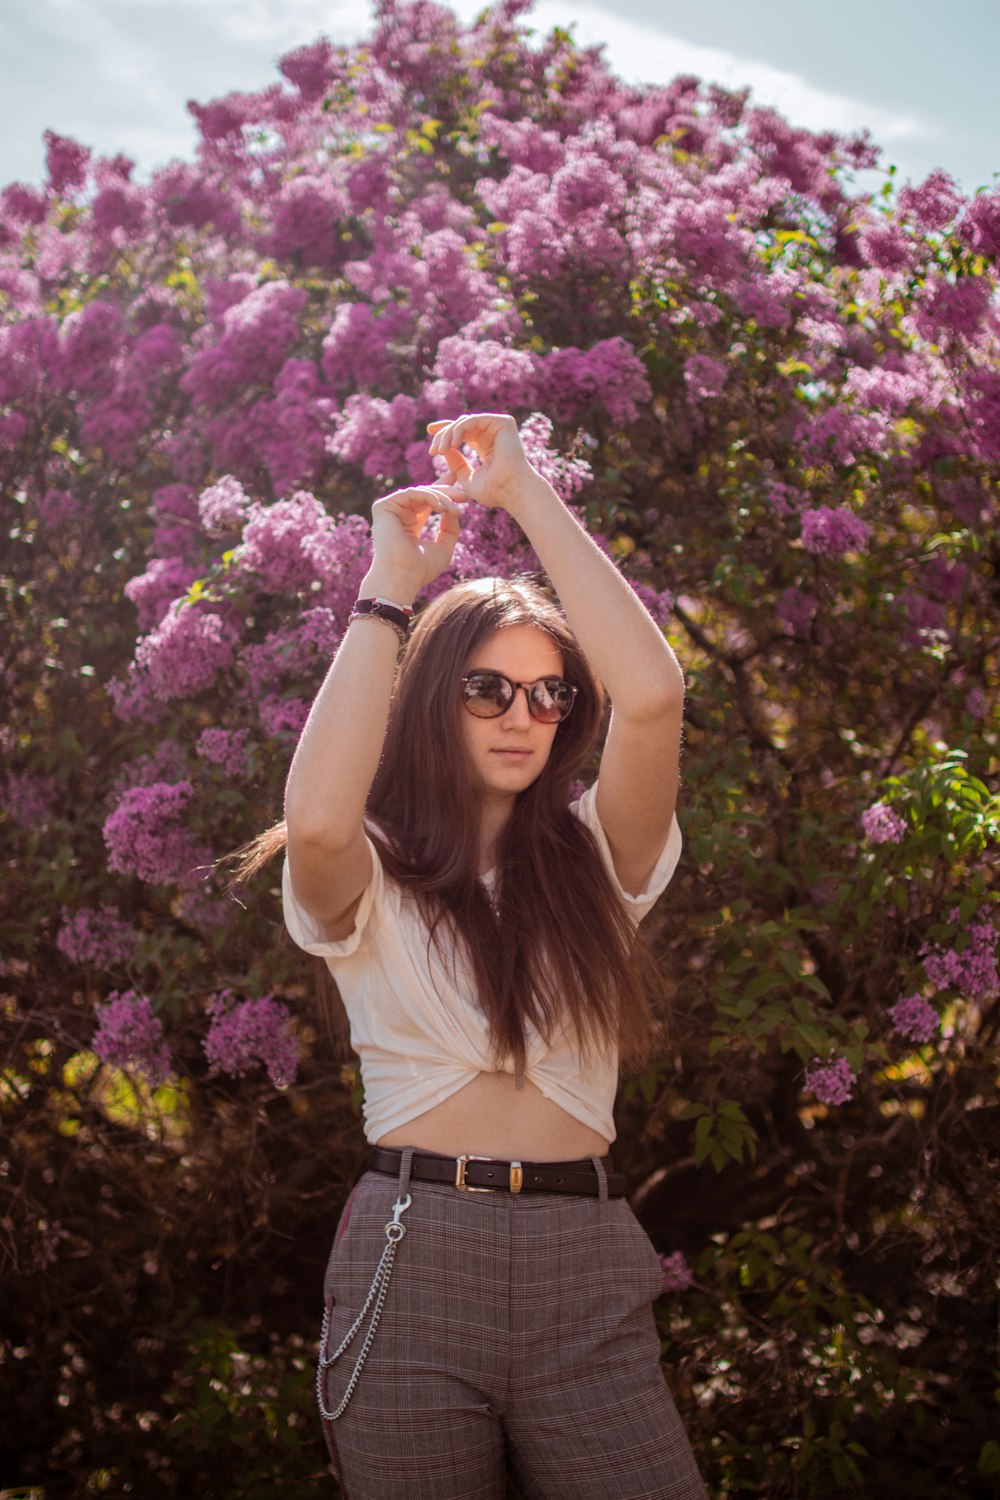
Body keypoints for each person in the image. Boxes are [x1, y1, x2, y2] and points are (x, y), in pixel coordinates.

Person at [279, 412, 707, 1498]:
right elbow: (318, 827)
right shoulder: (368, 872)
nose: (522, 715)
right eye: (486, 689)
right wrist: (388, 589)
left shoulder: (599, 864)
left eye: (547, 693)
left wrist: (521, 493)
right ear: (435, 699)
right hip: (412, 1256)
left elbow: (653, 698)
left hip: (586, 1261)